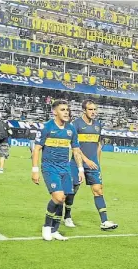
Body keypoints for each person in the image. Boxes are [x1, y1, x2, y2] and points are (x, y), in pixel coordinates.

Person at [31, 100, 83, 241]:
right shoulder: (46, 127)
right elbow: (36, 149)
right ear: (54, 112)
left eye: (67, 109)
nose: (66, 112)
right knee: (58, 197)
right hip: (49, 167)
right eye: (62, 109)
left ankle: (55, 230)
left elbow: (76, 150)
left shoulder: (71, 129)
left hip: (65, 168)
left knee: (63, 198)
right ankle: (47, 227)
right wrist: (35, 169)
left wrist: (80, 169)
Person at [65, 100, 118, 230]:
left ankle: (104, 221)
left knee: (98, 190)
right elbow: (74, 147)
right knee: (72, 190)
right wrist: (86, 160)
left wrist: (97, 162)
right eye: (90, 109)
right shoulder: (76, 124)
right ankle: (67, 216)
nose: (93, 112)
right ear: (84, 110)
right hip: (77, 164)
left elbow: (99, 145)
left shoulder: (98, 125)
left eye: (95, 109)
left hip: (93, 165)